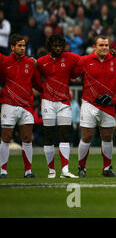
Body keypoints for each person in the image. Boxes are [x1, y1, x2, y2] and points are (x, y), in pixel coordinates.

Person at [73, 36, 116, 177]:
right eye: (101, 45)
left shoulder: (115, 60)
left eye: (106, 45)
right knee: (87, 135)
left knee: (107, 136)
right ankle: (81, 168)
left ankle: (107, 168)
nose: (104, 48)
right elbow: (72, 73)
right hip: (89, 103)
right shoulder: (84, 61)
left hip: (108, 105)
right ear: (94, 47)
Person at [36, 35, 80, 178]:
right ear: (50, 46)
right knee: (48, 136)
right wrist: (42, 89)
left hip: (64, 101)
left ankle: (65, 170)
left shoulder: (70, 57)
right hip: (47, 101)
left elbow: (85, 60)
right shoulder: (41, 62)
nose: (58, 48)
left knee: (64, 135)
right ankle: (51, 170)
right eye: (55, 45)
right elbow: (34, 76)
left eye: (60, 45)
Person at [0, 34, 42, 178]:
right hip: (9, 104)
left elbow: (37, 83)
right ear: (12, 47)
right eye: (19, 45)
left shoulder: (31, 64)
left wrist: (47, 92)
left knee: (27, 137)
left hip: (26, 105)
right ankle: (3, 171)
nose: (23, 48)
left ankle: (28, 171)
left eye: (24, 45)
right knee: (6, 137)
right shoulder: (4, 62)